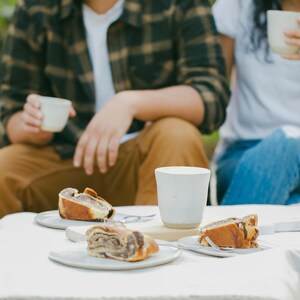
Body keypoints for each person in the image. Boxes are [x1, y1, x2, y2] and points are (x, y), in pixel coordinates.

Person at [0, 0, 229, 217]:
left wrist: (130, 104)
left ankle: (158, 249)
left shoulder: (177, 4)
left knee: (178, 135)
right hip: (66, 157)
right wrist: (33, 124)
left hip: (146, 158)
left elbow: (211, 96)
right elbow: (10, 113)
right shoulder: (35, 8)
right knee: (4, 167)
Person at [212, 0, 300, 205]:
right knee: (285, 144)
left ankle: (224, 235)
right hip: (244, 153)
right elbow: (213, 87)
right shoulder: (238, 6)